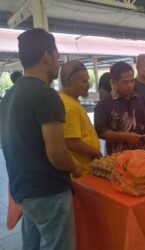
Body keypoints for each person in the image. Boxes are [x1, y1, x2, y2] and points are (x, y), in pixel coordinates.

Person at [0, 28, 82, 250]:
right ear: (46, 56)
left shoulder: (10, 95)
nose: (58, 63)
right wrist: (75, 166)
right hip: (48, 192)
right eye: (56, 57)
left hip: (23, 189)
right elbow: (56, 155)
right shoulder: (45, 94)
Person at [94, 61, 145, 154]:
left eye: (132, 81)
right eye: (125, 82)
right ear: (113, 82)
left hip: (143, 153)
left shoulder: (141, 98)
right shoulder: (103, 105)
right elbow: (101, 132)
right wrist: (124, 136)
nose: (130, 85)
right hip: (118, 157)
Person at [59, 61, 102, 176]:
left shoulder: (71, 100)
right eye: (84, 81)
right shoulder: (69, 105)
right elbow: (71, 142)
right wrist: (96, 153)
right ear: (68, 82)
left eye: (87, 80)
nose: (88, 85)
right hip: (81, 173)